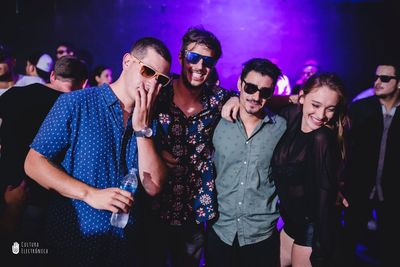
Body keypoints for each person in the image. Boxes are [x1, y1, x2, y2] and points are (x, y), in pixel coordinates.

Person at [23, 37, 171, 267]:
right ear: (128, 62)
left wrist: (142, 129)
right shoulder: (76, 103)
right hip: (74, 242)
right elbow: (34, 163)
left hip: (125, 249)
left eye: (161, 79)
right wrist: (90, 194)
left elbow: (153, 186)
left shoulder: (154, 122)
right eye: (148, 71)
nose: (153, 84)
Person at [205, 58, 286, 267]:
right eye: (250, 88)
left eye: (265, 92)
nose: (256, 96)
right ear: (240, 84)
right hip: (220, 229)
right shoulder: (216, 120)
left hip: (261, 234)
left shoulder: (281, 127)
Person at [270, 73, 348, 267]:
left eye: (330, 109)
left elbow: (324, 199)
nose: (321, 115)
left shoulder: (322, 138)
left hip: (312, 230)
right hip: (290, 225)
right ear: (302, 98)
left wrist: (319, 250)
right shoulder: (292, 116)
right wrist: (235, 100)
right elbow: (258, 100)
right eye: (316, 105)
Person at [342, 62, 400, 267]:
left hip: (392, 193)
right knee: (348, 242)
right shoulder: (360, 109)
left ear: (399, 83)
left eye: (385, 78)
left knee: (391, 247)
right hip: (358, 189)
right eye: (376, 77)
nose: (377, 82)